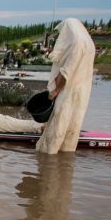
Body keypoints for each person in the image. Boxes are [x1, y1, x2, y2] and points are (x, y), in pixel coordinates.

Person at [36, 18, 95, 154]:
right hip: (82, 91)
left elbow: (66, 72)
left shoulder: (76, 43)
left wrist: (56, 90)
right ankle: (64, 157)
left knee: (58, 123)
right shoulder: (88, 43)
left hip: (68, 90)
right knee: (72, 123)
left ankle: (48, 156)